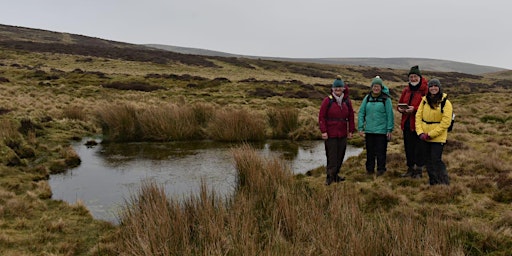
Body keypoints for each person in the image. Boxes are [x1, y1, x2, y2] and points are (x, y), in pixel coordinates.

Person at [318, 76, 355, 185]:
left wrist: (351, 131)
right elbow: (321, 117)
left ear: (343, 88)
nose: (338, 90)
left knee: (340, 155)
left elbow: (351, 117)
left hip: (342, 133)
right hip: (330, 133)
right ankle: (329, 176)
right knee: (332, 156)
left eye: (340, 87)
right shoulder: (327, 101)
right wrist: (323, 131)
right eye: (336, 88)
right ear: (332, 89)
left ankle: (336, 175)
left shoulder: (347, 101)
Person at [415, 78, 452, 185]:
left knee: (436, 160)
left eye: (435, 86)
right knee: (428, 161)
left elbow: (445, 122)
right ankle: (433, 182)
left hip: (437, 137)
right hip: (424, 136)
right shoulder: (424, 101)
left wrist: (431, 135)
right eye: (431, 86)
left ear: (439, 88)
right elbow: (418, 117)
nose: (433, 88)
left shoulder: (446, 102)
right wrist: (420, 133)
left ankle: (444, 183)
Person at [357, 76, 394, 176]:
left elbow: (390, 115)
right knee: (370, 152)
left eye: (378, 86)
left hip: (381, 131)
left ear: (381, 87)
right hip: (369, 131)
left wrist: (389, 129)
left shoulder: (386, 99)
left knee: (381, 152)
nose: (376, 88)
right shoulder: (367, 98)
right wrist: (360, 127)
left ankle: (381, 170)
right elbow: (361, 113)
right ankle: (369, 170)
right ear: (371, 87)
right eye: (374, 86)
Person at [397, 65, 429, 178]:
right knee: (408, 148)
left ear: (419, 77)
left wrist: (414, 109)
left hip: (419, 125)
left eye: (415, 76)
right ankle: (410, 169)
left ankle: (419, 170)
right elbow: (399, 103)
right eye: (411, 77)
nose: (413, 79)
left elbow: (427, 106)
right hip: (407, 124)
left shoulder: (425, 90)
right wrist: (400, 109)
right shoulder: (406, 90)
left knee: (419, 148)